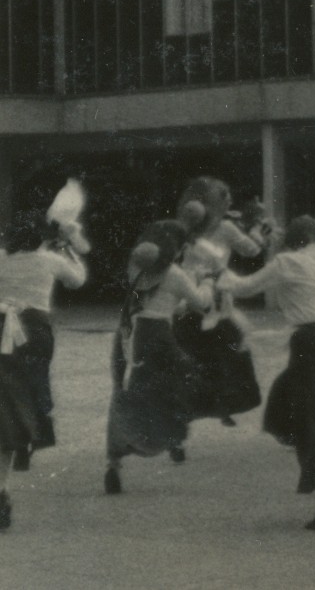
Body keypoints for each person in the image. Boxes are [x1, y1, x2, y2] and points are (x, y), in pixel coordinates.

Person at [217, 216, 315, 530]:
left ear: (294, 240)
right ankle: (300, 443)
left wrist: (218, 273)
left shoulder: (286, 261)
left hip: (307, 340)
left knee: (311, 416)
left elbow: (245, 287)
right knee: (289, 399)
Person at [105, 221, 211, 495]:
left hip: (128, 331)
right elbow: (201, 303)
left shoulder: (137, 264)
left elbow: (158, 298)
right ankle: (172, 439)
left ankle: (114, 461)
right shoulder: (175, 272)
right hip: (157, 334)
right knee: (176, 385)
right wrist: (206, 280)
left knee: (125, 392)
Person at [174, 177, 268, 430]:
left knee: (197, 355)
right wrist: (258, 228)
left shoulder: (184, 228)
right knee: (235, 346)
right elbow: (252, 250)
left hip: (186, 295)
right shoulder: (226, 227)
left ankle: (191, 410)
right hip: (216, 295)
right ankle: (223, 404)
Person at [0, 208, 88, 474]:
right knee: (35, 382)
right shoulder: (49, 259)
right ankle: (29, 436)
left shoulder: (1, 258)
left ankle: (11, 435)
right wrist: (67, 249)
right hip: (35, 326)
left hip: (2, 322)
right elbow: (77, 280)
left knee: (6, 387)